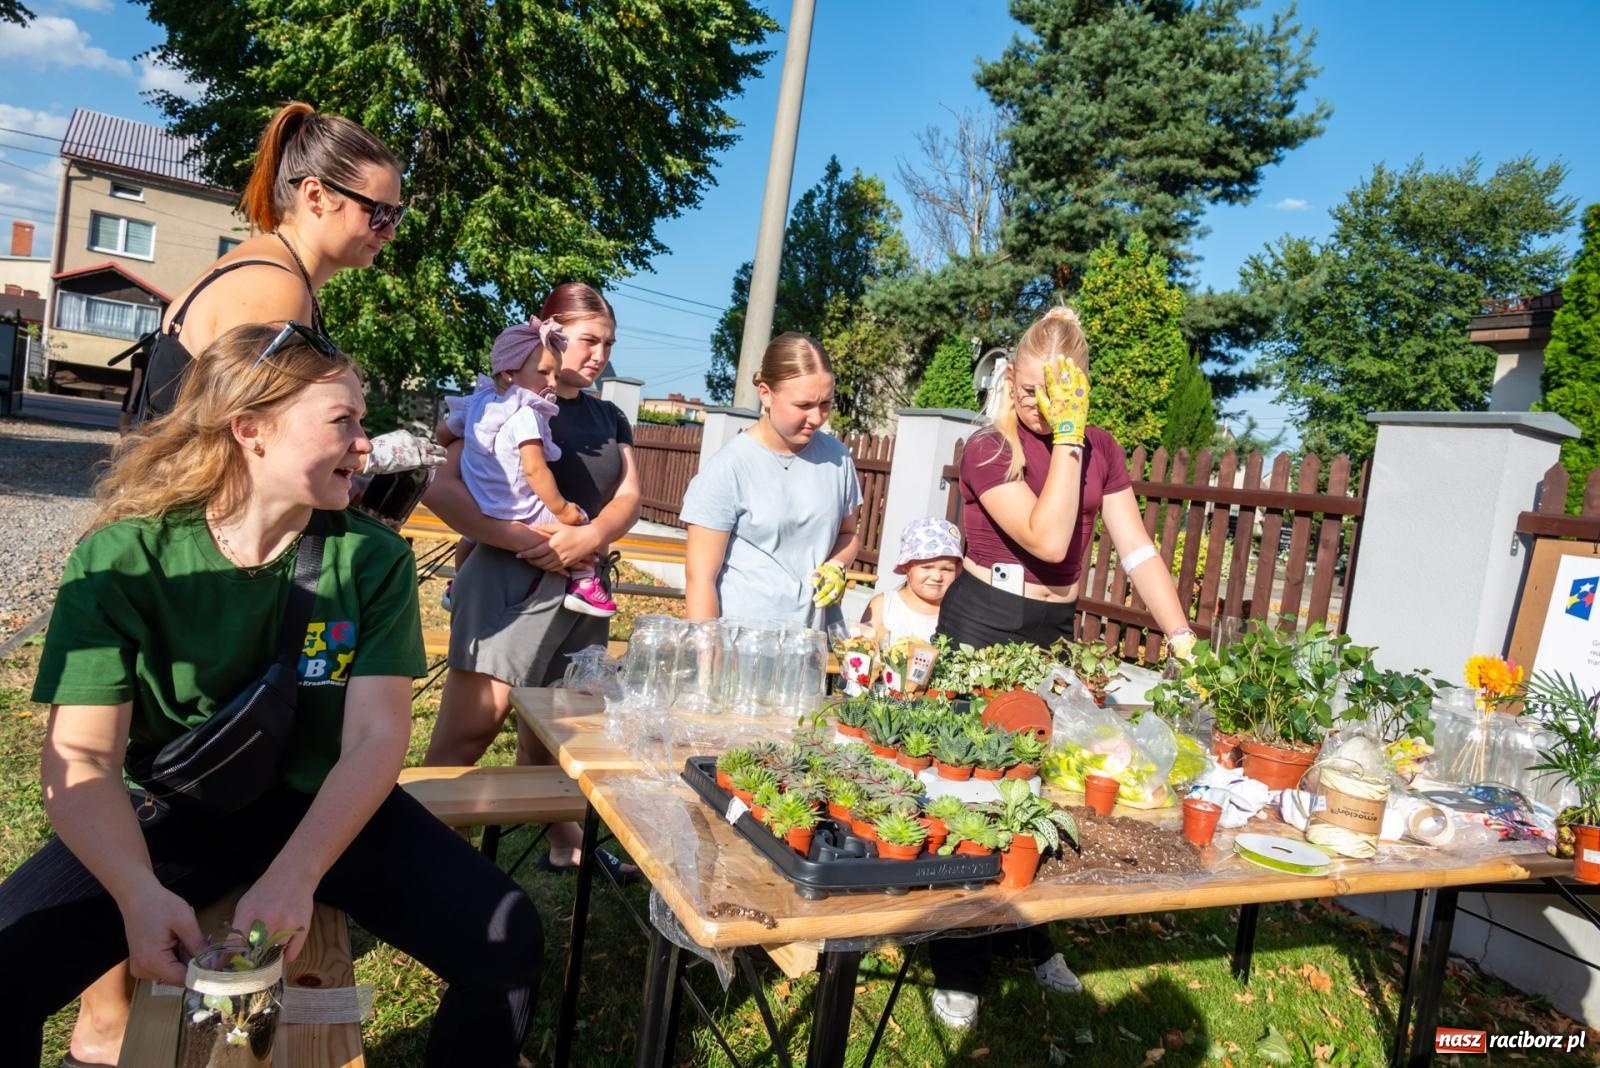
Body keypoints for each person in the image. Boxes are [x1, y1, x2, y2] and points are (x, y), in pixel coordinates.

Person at [0, 324, 543, 1068]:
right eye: (342, 422)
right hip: (174, 807)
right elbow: (83, 758)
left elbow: (376, 742)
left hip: (317, 805)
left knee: (506, 935)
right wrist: (135, 890)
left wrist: (296, 875)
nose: (366, 445)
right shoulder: (125, 557)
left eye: (362, 420)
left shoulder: (371, 557)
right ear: (251, 430)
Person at [61, 100, 434, 1068]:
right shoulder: (274, 294)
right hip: (203, 556)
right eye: (377, 215)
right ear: (316, 196)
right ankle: (108, 1018)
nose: (387, 235)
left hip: (186, 533)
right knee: (170, 764)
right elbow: (256, 458)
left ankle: (104, 1010)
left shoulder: (257, 269)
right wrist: (363, 493)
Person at [927, 305, 1197, 1030]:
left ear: (1078, 387)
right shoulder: (988, 447)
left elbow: (1135, 548)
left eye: (1058, 398)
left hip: (1052, 627)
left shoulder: (1100, 449)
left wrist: (1182, 636)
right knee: (974, 789)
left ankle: (1030, 931)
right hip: (983, 619)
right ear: (1010, 378)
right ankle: (957, 963)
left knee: (1040, 790)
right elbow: (1048, 539)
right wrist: (1070, 433)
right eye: (1029, 393)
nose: (1039, 411)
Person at [422, 283, 642, 879]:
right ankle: (421, 852)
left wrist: (589, 539)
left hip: (583, 581)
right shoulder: (499, 398)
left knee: (557, 724)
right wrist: (528, 540)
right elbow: (444, 488)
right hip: (507, 582)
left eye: (608, 344)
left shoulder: (608, 415)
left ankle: (563, 839)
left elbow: (628, 496)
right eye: (589, 340)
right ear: (548, 331)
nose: (600, 355)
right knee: (469, 731)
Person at [438, 319, 616, 618]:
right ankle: (583, 583)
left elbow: (443, 433)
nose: (551, 382)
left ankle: (459, 584)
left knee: (469, 540)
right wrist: (562, 509)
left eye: (556, 374)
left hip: (481, 504)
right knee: (582, 523)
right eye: (544, 372)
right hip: (520, 508)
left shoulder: (477, 403)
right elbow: (535, 470)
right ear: (509, 373)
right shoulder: (526, 413)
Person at [682, 332, 862, 627]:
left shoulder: (838, 458)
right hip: (739, 644)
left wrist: (837, 564)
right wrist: (706, 652)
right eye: (803, 405)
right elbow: (700, 578)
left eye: (826, 404)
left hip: (808, 644)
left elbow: (848, 535)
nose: (817, 418)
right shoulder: (730, 468)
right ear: (766, 393)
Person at [859, 516, 962, 645]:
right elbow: (860, 652)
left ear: (958, 570)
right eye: (927, 567)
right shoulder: (884, 606)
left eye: (947, 569)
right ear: (906, 566)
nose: (937, 577)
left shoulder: (959, 615)